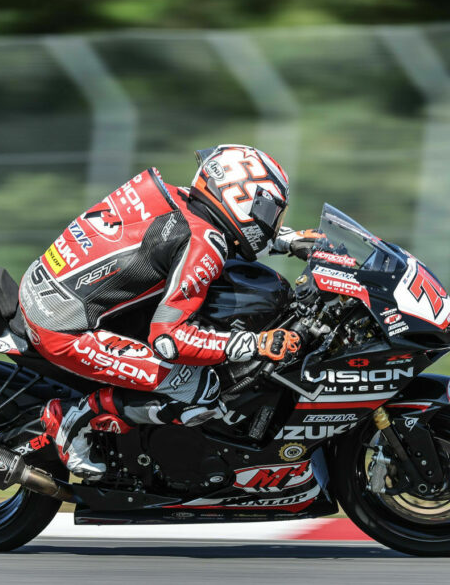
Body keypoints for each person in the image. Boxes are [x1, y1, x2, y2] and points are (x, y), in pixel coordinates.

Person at [17, 144, 321, 477]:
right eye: (269, 213)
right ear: (241, 199)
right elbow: (170, 341)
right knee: (202, 389)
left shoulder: (180, 201)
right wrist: (255, 344)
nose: (272, 223)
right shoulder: (203, 243)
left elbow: (184, 240)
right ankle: (72, 419)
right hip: (63, 329)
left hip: (47, 291)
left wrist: (287, 241)